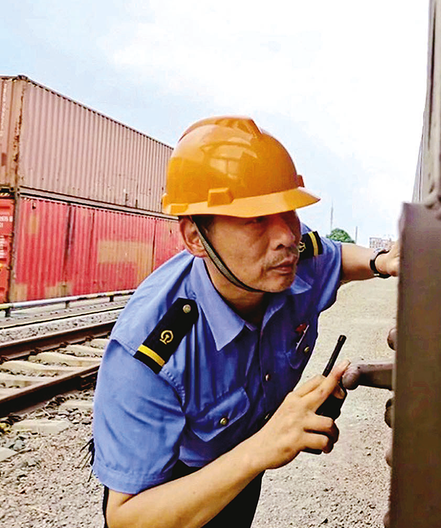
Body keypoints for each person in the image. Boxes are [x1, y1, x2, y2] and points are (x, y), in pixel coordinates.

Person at [91, 116, 399, 528]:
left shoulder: (291, 260)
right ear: (195, 237)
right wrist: (264, 446)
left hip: (241, 477)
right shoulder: (150, 350)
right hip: (172, 490)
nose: (286, 235)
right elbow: (126, 517)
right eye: (256, 219)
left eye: (288, 211)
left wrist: (381, 262)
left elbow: (334, 255)